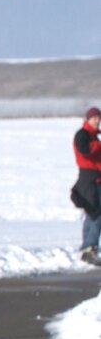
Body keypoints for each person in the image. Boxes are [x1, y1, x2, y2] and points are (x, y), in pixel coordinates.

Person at [70, 106, 101, 266]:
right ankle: (89, 248)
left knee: (92, 213)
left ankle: (87, 248)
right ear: (88, 119)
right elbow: (85, 151)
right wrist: (98, 146)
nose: (97, 120)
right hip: (88, 178)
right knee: (96, 213)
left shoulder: (95, 136)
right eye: (94, 118)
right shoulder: (83, 134)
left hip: (97, 178)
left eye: (99, 118)